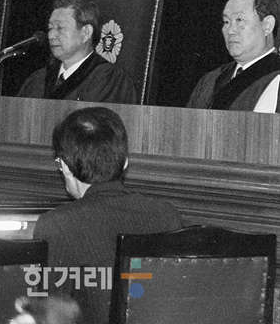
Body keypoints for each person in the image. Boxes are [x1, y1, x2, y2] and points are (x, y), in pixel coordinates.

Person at [33, 107, 182, 324]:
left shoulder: (57, 224)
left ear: (64, 166)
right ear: (125, 162)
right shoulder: (166, 215)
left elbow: (47, 315)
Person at [187, 0, 280, 112]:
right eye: (226, 22)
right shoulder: (210, 80)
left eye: (239, 20)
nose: (230, 30)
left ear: (267, 25)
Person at [17, 0, 138, 104]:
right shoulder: (38, 80)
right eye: (50, 28)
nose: (51, 35)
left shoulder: (109, 80)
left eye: (60, 28)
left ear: (86, 33)